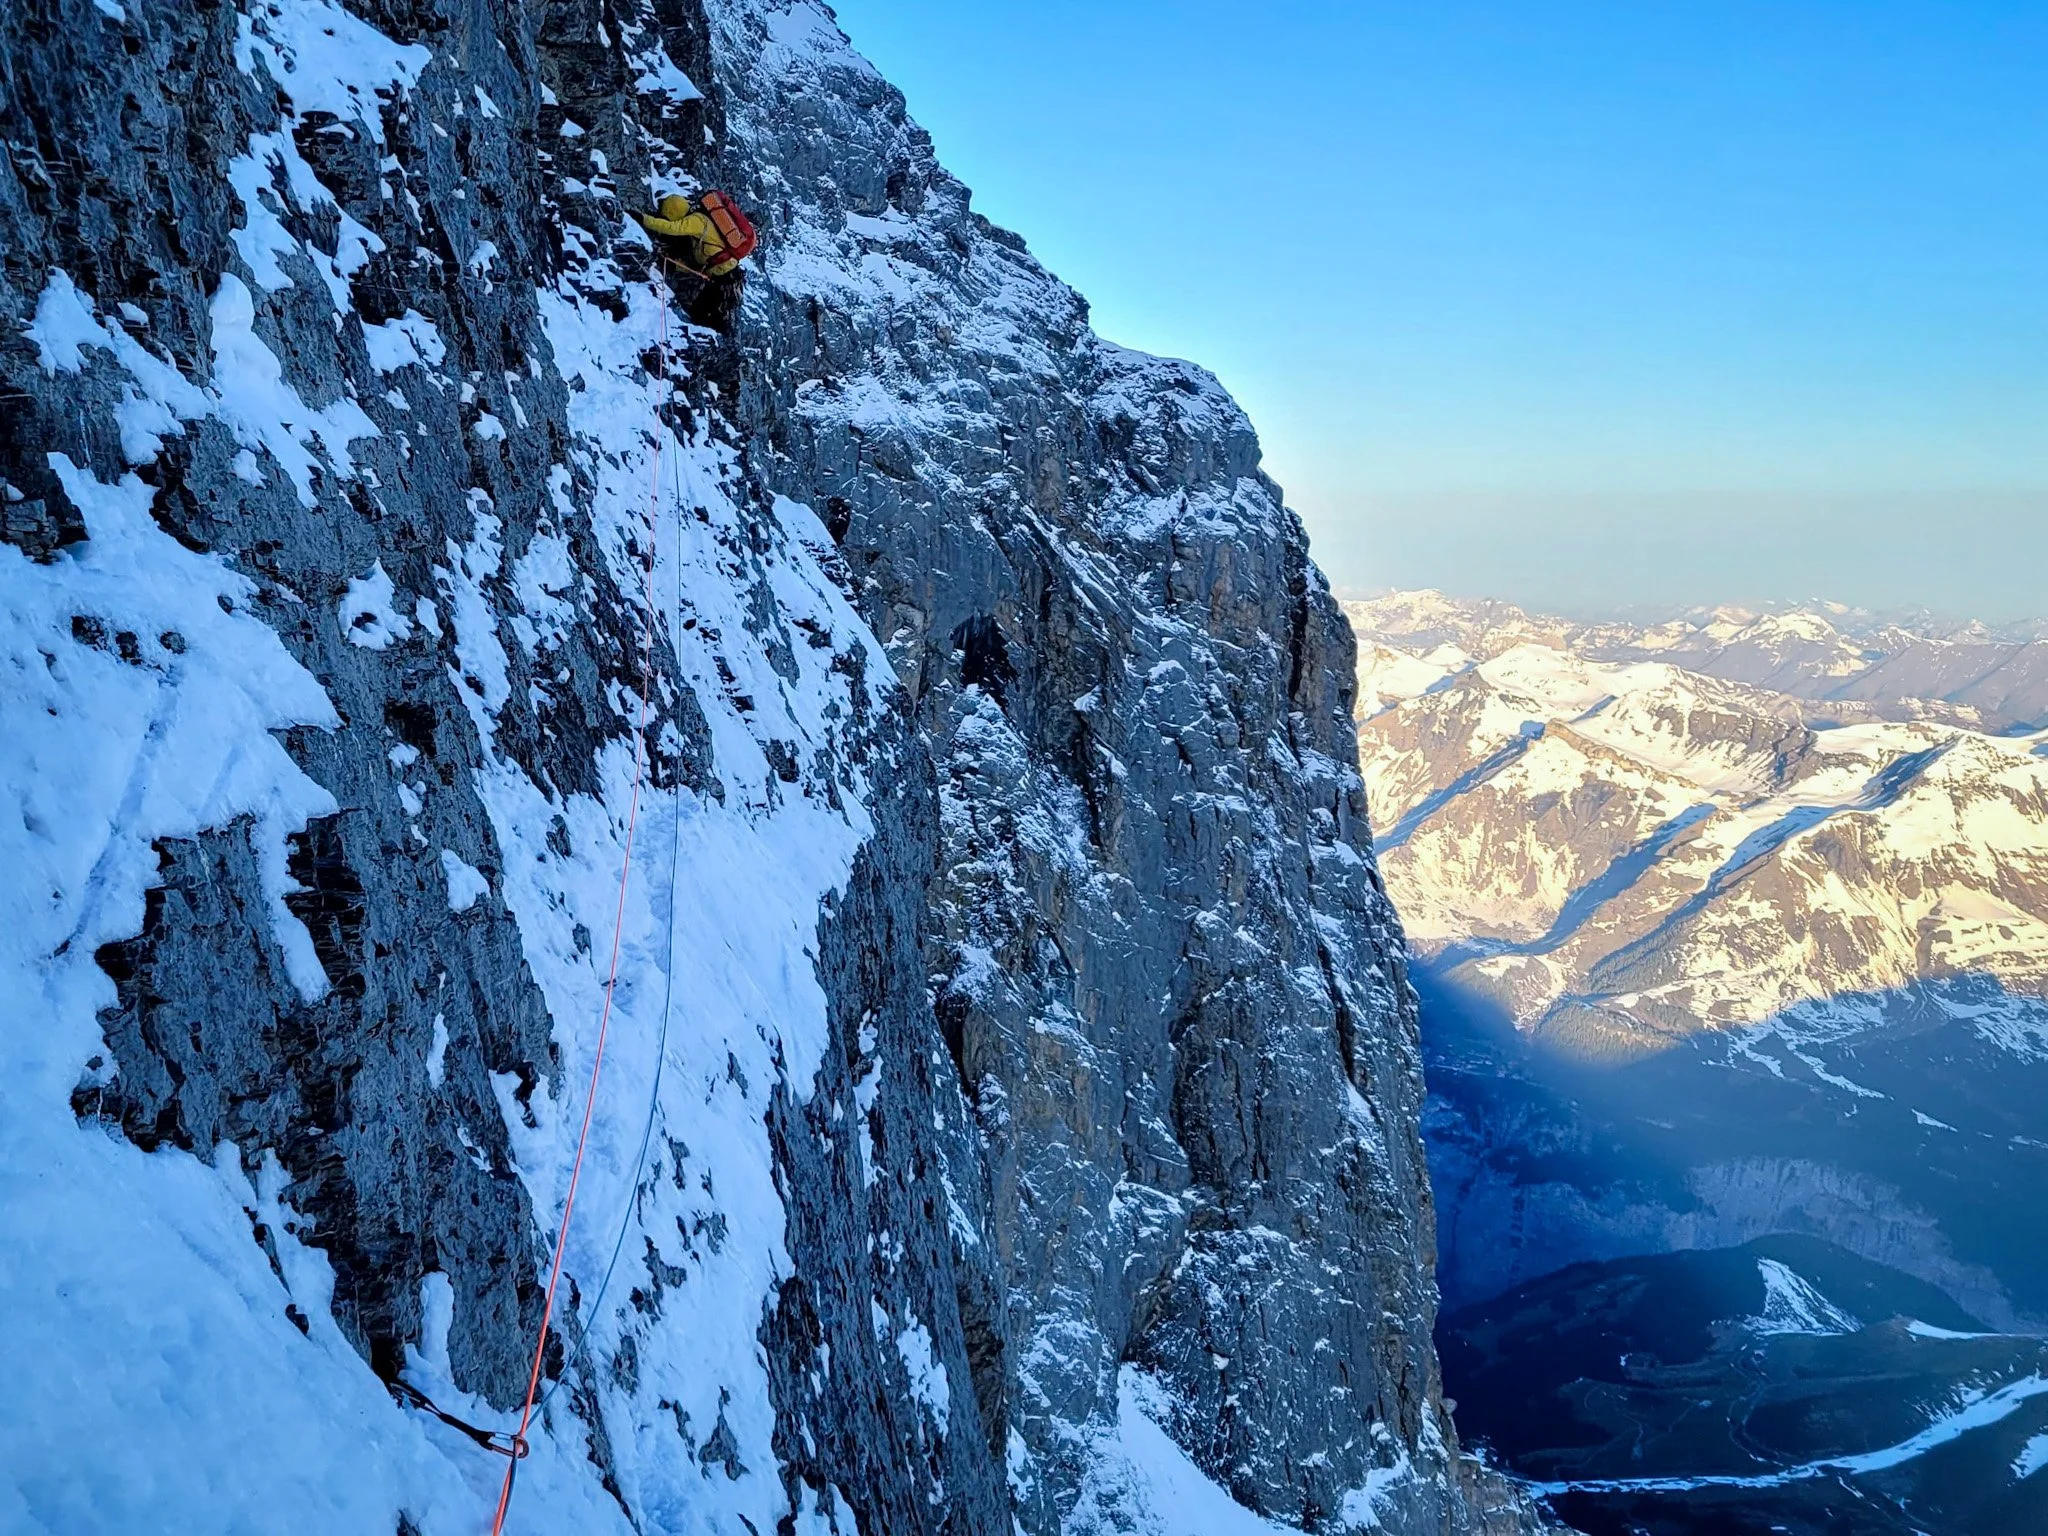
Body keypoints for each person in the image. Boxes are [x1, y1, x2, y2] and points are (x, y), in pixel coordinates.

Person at [636, 190, 757, 332]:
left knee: (704, 316)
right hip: (724, 276)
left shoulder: (697, 220)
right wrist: (675, 266)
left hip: (724, 278)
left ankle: (714, 343)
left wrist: (644, 219)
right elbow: (700, 264)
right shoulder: (700, 223)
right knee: (705, 315)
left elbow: (673, 228)